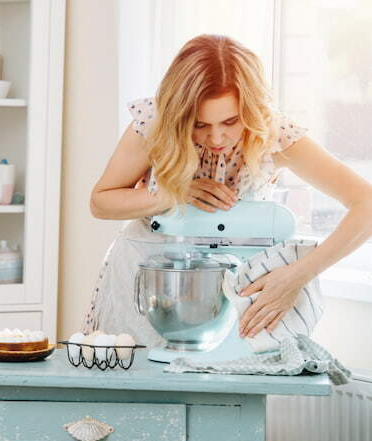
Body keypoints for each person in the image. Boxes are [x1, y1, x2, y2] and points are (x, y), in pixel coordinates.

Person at [82, 34, 372, 347]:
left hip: (229, 297)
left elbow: (365, 202)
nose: (216, 137)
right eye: (199, 124)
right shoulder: (156, 121)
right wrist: (172, 194)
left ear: (251, 110)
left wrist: (298, 275)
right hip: (147, 289)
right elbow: (101, 202)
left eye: (231, 121)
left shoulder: (274, 133)